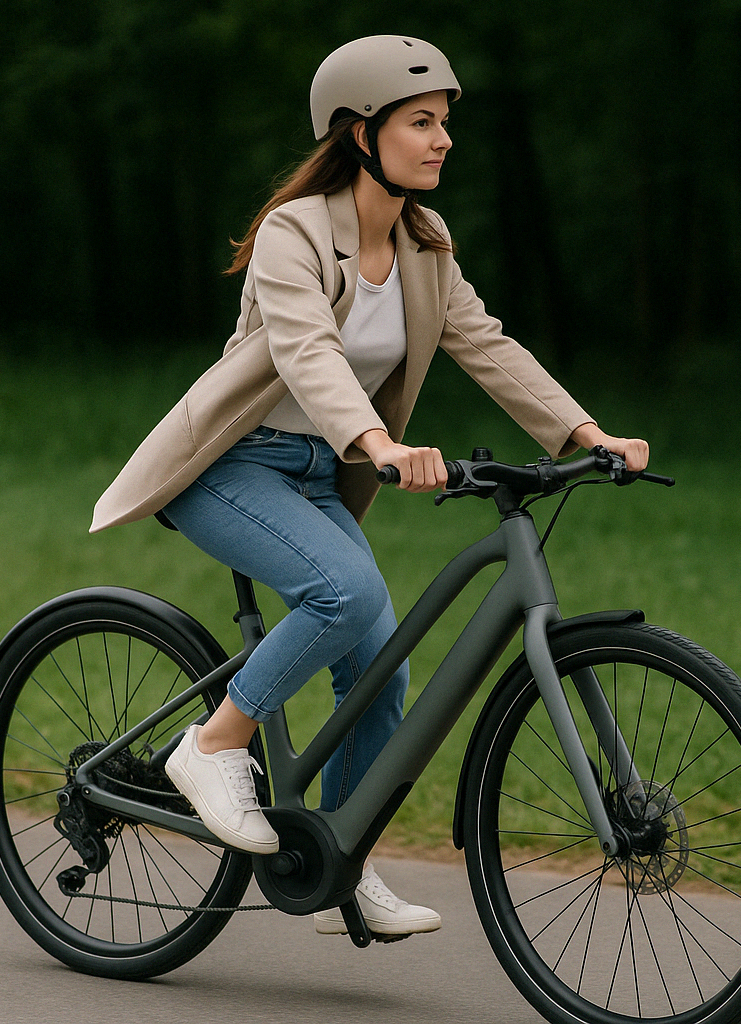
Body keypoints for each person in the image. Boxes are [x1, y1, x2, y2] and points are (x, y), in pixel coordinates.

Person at [90, 35, 649, 937]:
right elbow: (307, 348)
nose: (442, 141)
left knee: (379, 668)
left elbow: (488, 345)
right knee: (344, 592)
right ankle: (210, 746)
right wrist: (376, 441)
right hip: (231, 466)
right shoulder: (295, 232)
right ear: (359, 133)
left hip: (319, 477)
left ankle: (337, 862)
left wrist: (587, 433)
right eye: (421, 123)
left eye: (445, 124)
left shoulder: (426, 245)